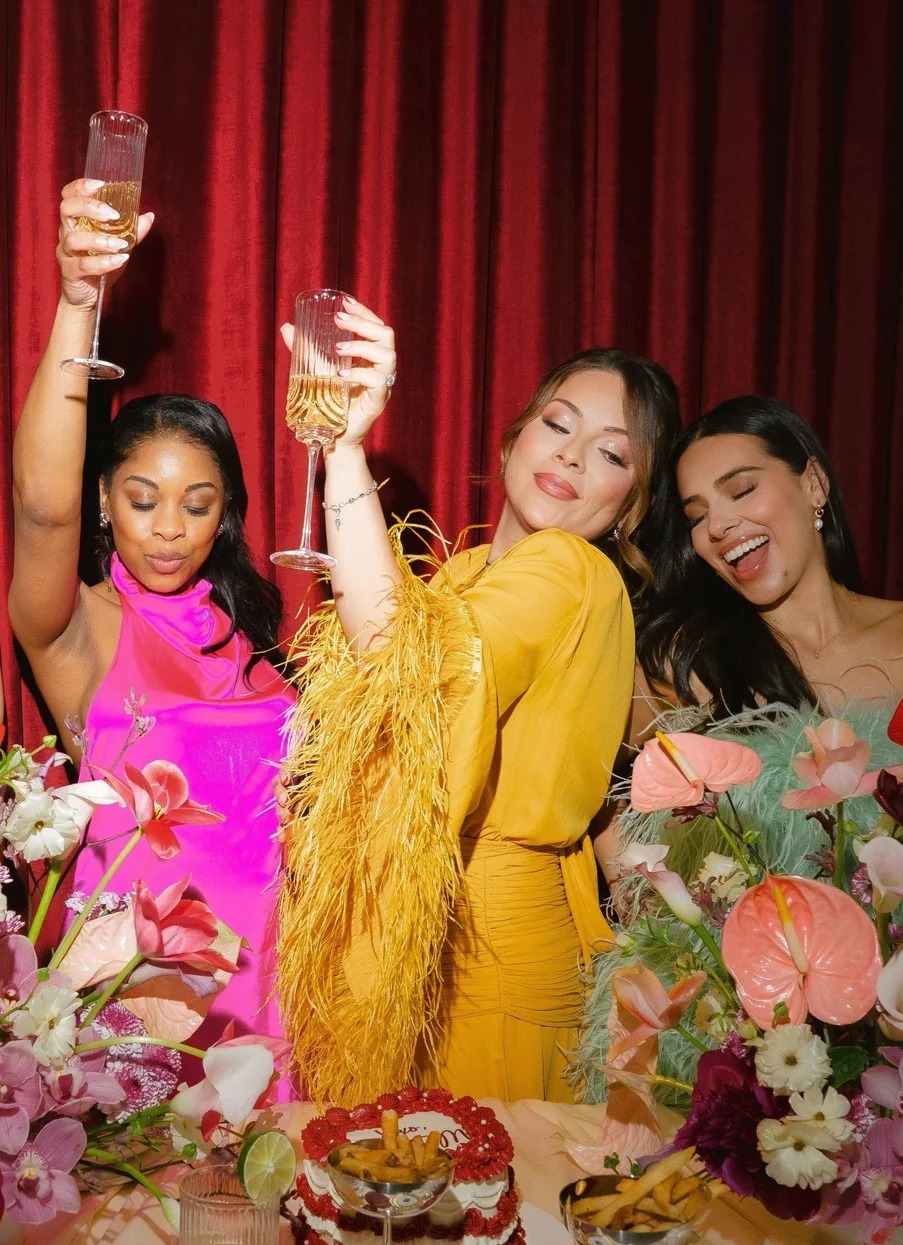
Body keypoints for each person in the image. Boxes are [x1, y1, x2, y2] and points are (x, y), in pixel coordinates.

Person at [277, 302, 681, 1106]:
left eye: (610, 453)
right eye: (557, 423)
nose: (569, 455)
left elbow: (402, 654)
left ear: (631, 503)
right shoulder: (457, 578)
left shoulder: (570, 569)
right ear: (514, 437)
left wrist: (347, 449)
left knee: (475, 1208)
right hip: (409, 945)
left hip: (488, 958)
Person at [8, 180, 296, 1052]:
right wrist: (77, 303)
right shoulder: (78, 629)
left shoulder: (255, 644)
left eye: (198, 504)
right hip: (140, 1014)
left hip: (281, 995)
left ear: (225, 515)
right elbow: (41, 508)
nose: (170, 528)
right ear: (104, 499)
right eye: (142, 499)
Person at [633, 395, 903, 721]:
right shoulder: (689, 663)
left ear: (814, 483)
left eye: (742, 491)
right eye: (697, 516)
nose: (717, 526)